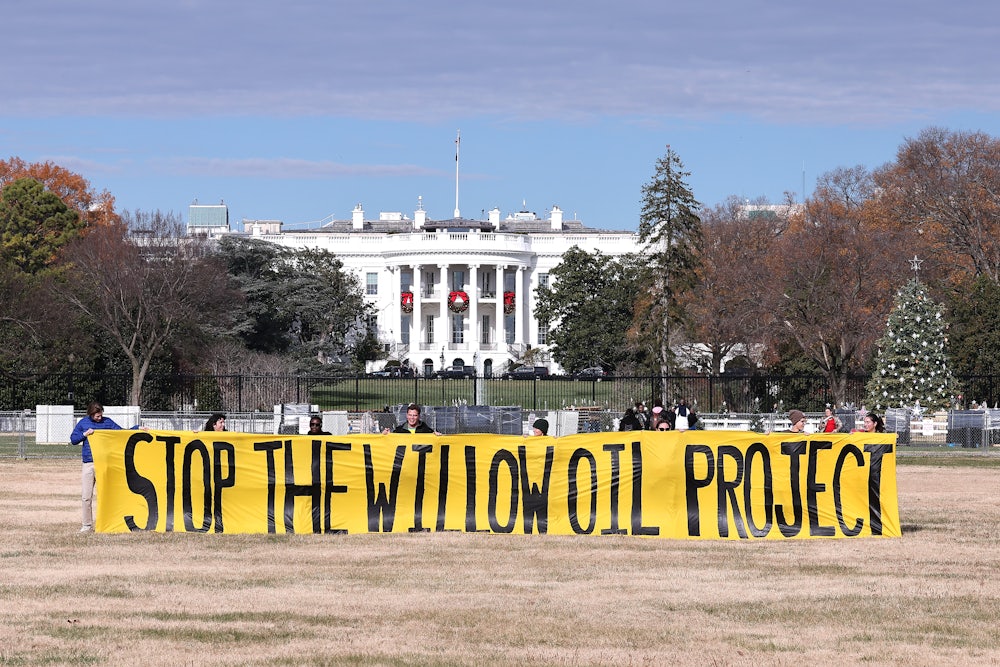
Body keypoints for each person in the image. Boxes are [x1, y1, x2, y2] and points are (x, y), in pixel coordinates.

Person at [70, 402, 123, 533]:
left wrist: (137, 428)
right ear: (90, 414)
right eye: (97, 416)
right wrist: (85, 434)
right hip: (89, 463)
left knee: (108, 495)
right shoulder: (83, 423)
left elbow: (121, 433)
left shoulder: (108, 422)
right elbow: (73, 439)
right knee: (86, 496)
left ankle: (109, 523)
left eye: (100, 416)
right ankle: (87, 525)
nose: (99, 418)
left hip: (105, 463)